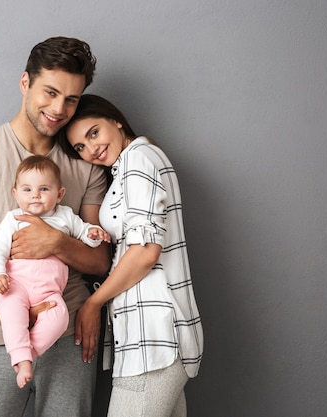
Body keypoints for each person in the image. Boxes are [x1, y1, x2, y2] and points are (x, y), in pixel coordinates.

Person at [0, 37, 111, 417]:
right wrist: (16, 314)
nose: (58, 109)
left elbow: (100, 262)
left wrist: (55, 243)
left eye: (71, 99)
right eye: (50, 92)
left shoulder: (86, 163)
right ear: (25, 83)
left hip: (67, 336)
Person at [57, 94, 204, 417]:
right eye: (80, 147)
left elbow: (144, 252)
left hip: (153, 338)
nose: (90, 149)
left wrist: (93, 304)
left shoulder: (139, 159)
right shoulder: (130, 166)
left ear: (116, 120)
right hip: (148, 337)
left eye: (93, 133)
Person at [0, 155, 111, 388]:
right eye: (27, 189)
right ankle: (21, 356)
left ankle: (26, 355)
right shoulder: (13, 218)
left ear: (59, 194)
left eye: (44, 189)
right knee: (9, 308)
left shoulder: (64, 216)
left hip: (50, 292)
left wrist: (94, 235)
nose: (35, 195)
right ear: (15, 194)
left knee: (60, 318)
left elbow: (85, 232)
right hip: (17, 284)